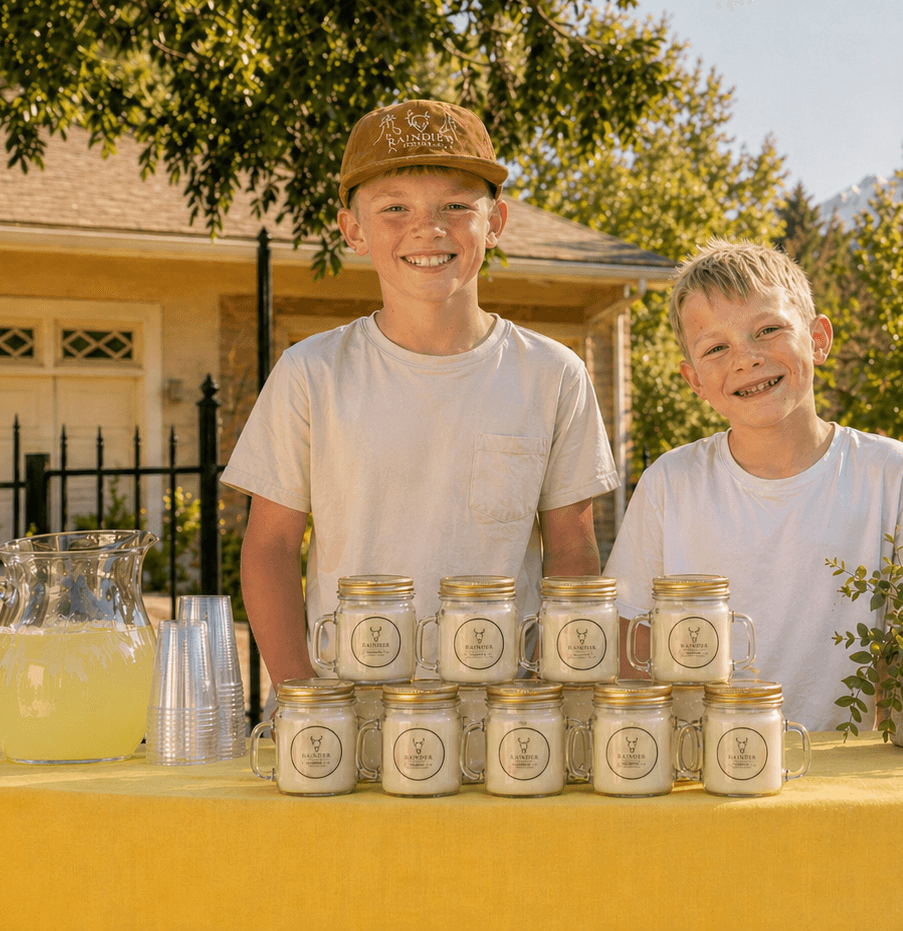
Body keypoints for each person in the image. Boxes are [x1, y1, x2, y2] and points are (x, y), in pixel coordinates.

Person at [225, 100, 620, 686]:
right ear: (353, 230)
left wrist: (558, 693)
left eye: (457, 206)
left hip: (513, 725)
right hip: (350, 717)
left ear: (496, 222)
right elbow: (270, 548)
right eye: (394, 208)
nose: (427, 229)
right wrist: (301, 695)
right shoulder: (311, 373)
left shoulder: (553, 374)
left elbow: (572, 554)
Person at [604, 240, 903, 731]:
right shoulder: (670, 484)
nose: (746, 359)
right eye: (716, 348)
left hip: (851, 778)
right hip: (704, 777)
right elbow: (628, 640)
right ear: (693, 380)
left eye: (768, 330)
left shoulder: (891, 474)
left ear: (818, 339)